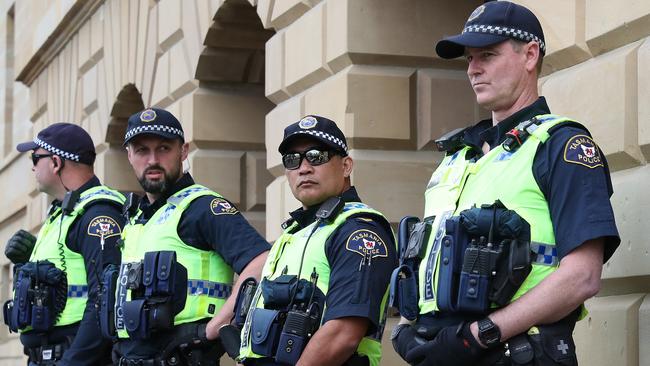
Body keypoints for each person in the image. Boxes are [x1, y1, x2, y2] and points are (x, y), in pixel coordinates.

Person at [390, 2, 620, 366]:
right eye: (468, 58)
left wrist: (478, 336)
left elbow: (583, 277)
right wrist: (405, 327)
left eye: (488, 55)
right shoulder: (457, 158)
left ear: (530, 55)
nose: (473, 69)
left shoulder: (561, 146)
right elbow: (424, 258)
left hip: (518, 352)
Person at [105, 107, 269, 365]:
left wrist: (214, 327)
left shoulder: (202, 207)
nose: (152, 160)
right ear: (129, 155)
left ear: (183, 151)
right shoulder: (137, 219)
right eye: (142, 151)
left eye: (163, 148)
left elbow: (261, 261)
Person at [237, 115, 398, 366]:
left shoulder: (359, 230)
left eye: (317, 156)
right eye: (292, 160)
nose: (304, 168)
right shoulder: (295, 232)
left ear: (346, 166)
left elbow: (343, 334)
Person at [4, 123, 125, 365]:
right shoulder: (63, 213)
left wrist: (72, 362)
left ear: (56, 162)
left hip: (75, 357)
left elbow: (103, 299)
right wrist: (27, 261)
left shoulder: (98, 214)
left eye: (36, 157)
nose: (32, 165)